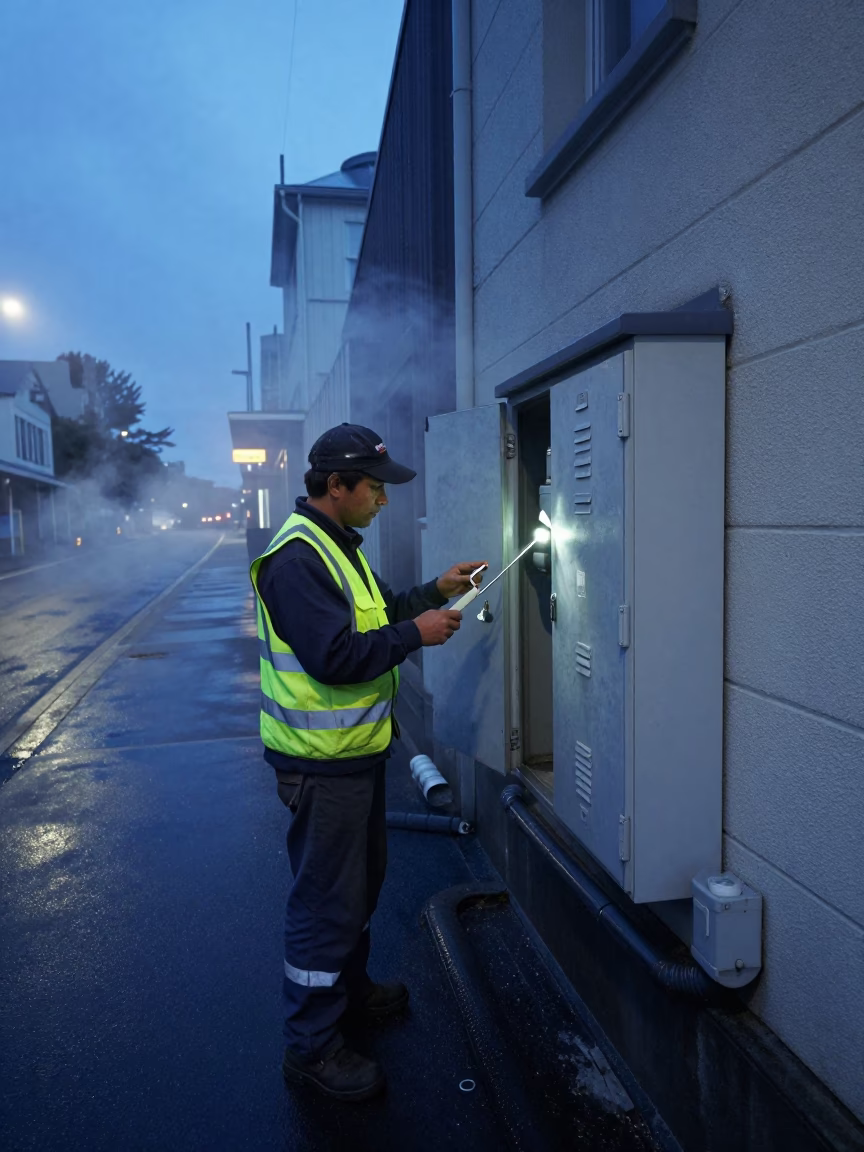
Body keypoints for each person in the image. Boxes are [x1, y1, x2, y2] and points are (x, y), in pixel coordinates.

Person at [250, 423, 485, 1103]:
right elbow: (337, 657)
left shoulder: (336, 548)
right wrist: (419, 634)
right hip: (321, 766)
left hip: (351, 758)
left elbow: (380, 618)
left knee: (356, 887)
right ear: (336, 487)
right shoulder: (297, 560)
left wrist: (435, 591)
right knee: (325, 904)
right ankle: (313, 1048)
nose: (384, 501)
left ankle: (347, 995)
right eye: (375, 489)